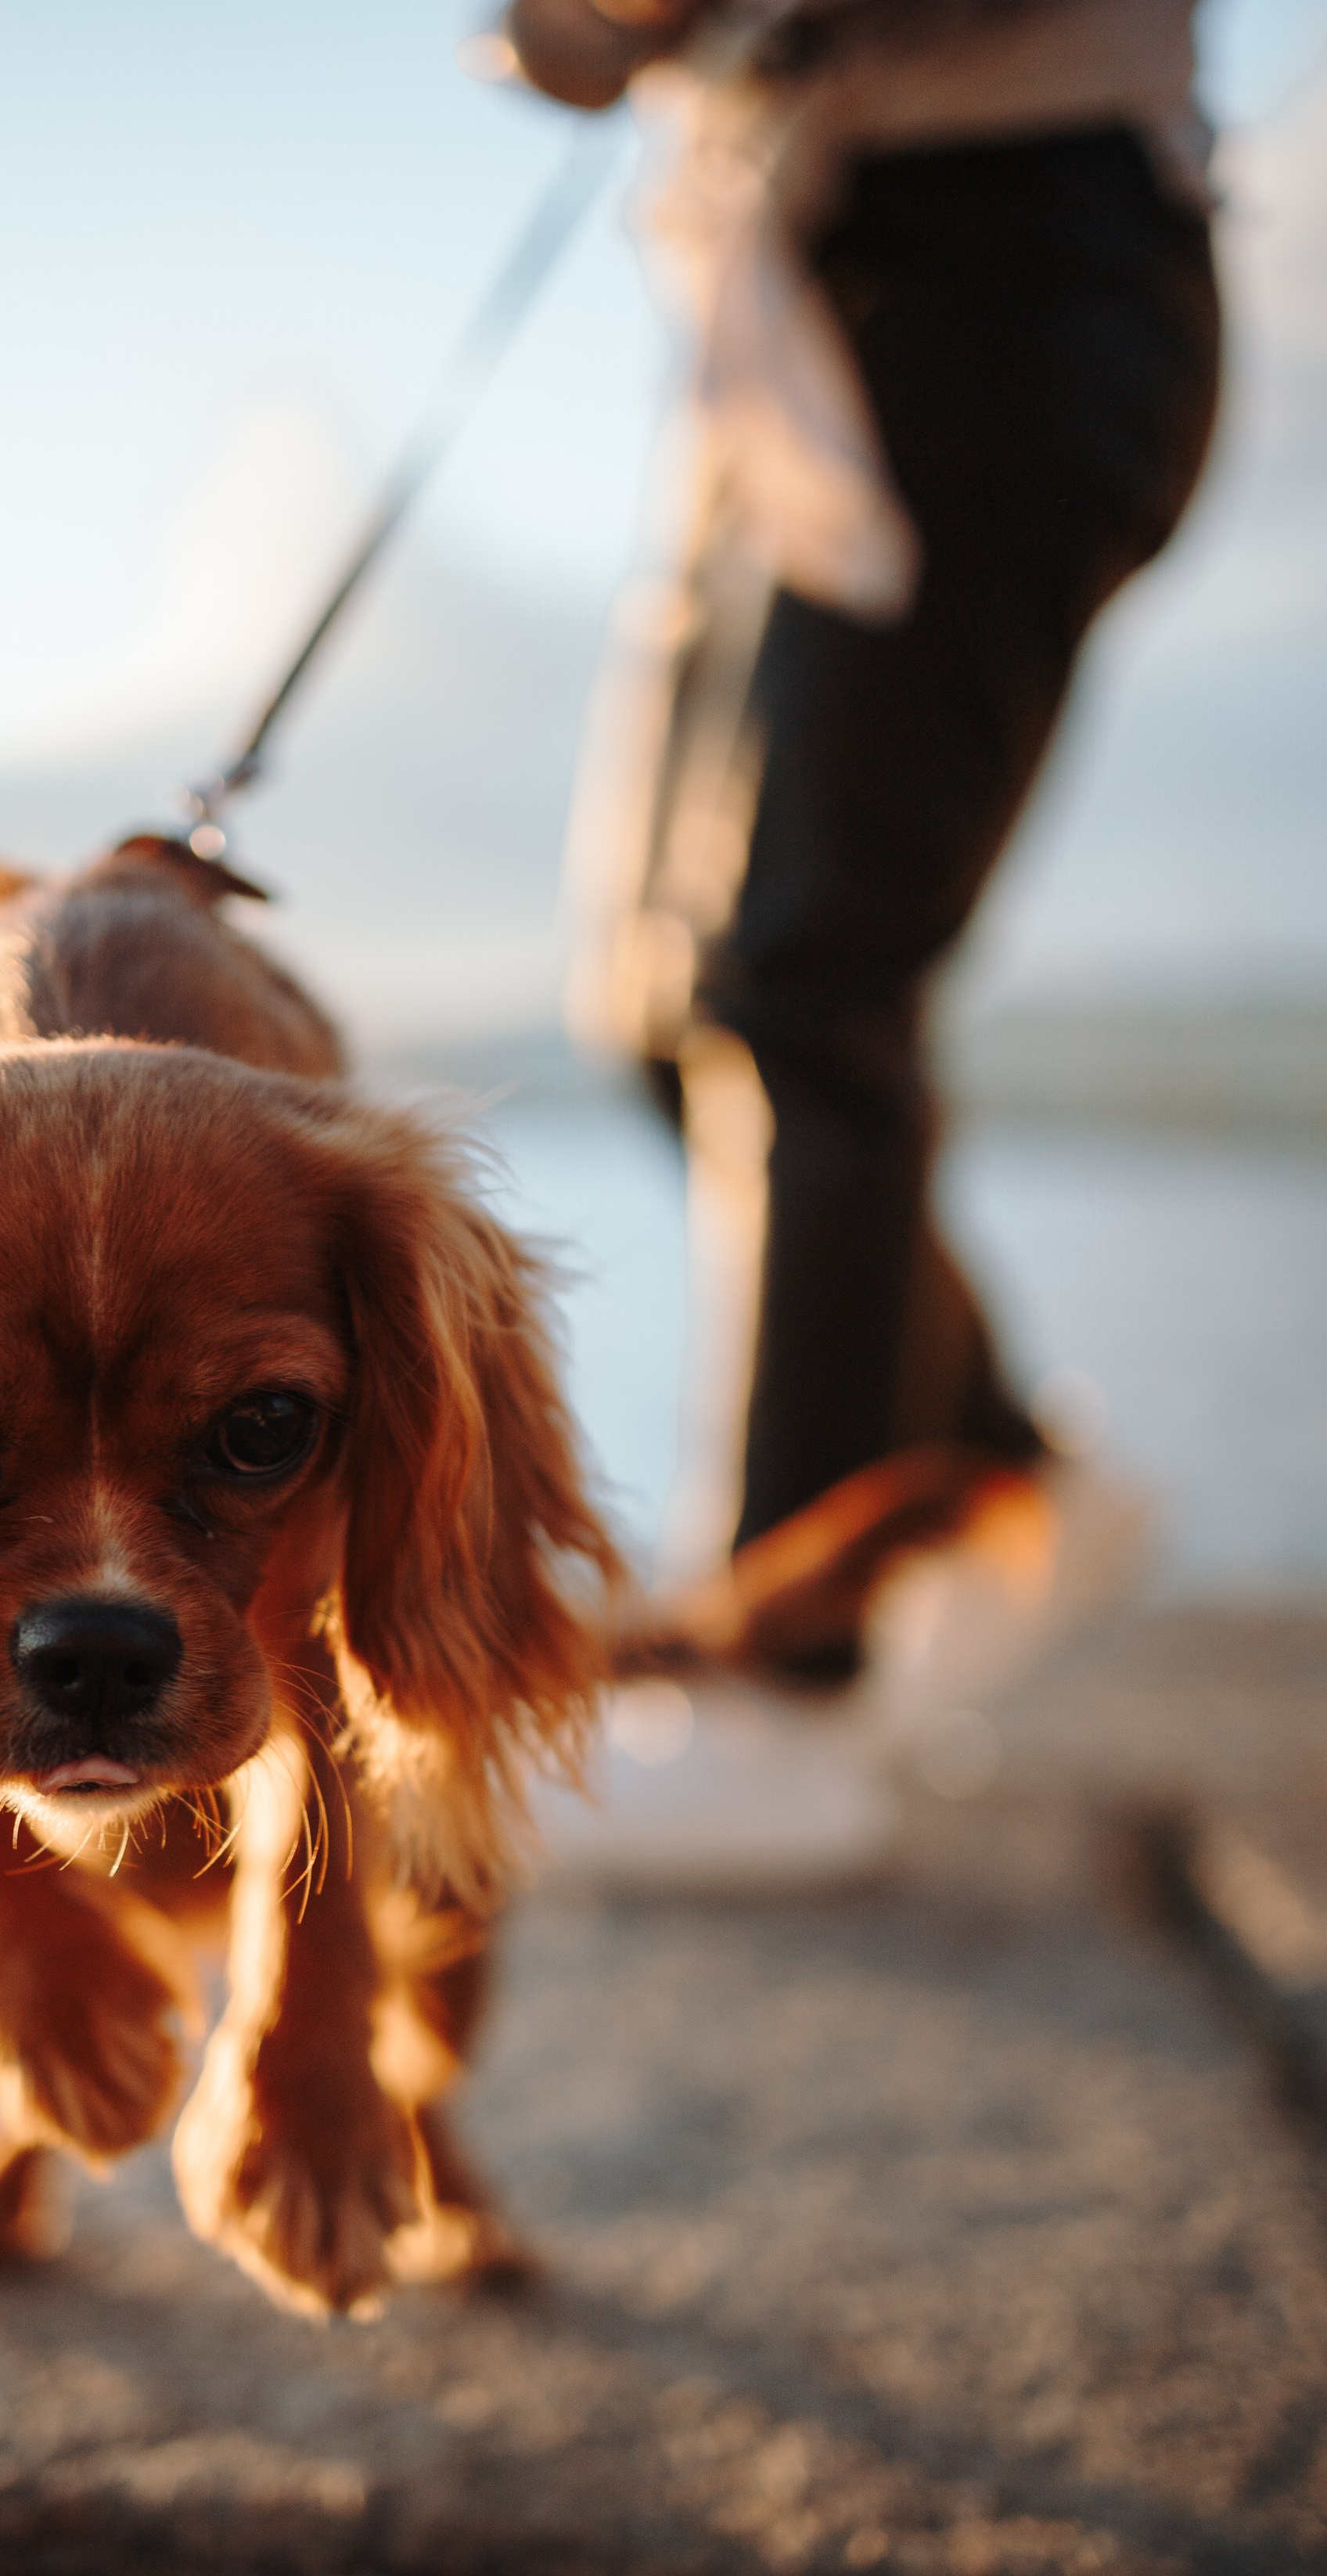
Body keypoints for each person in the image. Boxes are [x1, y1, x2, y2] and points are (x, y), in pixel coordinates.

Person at [497, 0, 1223, 1877]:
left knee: (798, 981)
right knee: (663, 1001)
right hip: (783, 290)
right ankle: (999, 1470)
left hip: (1014, 266)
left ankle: (775, 1696)